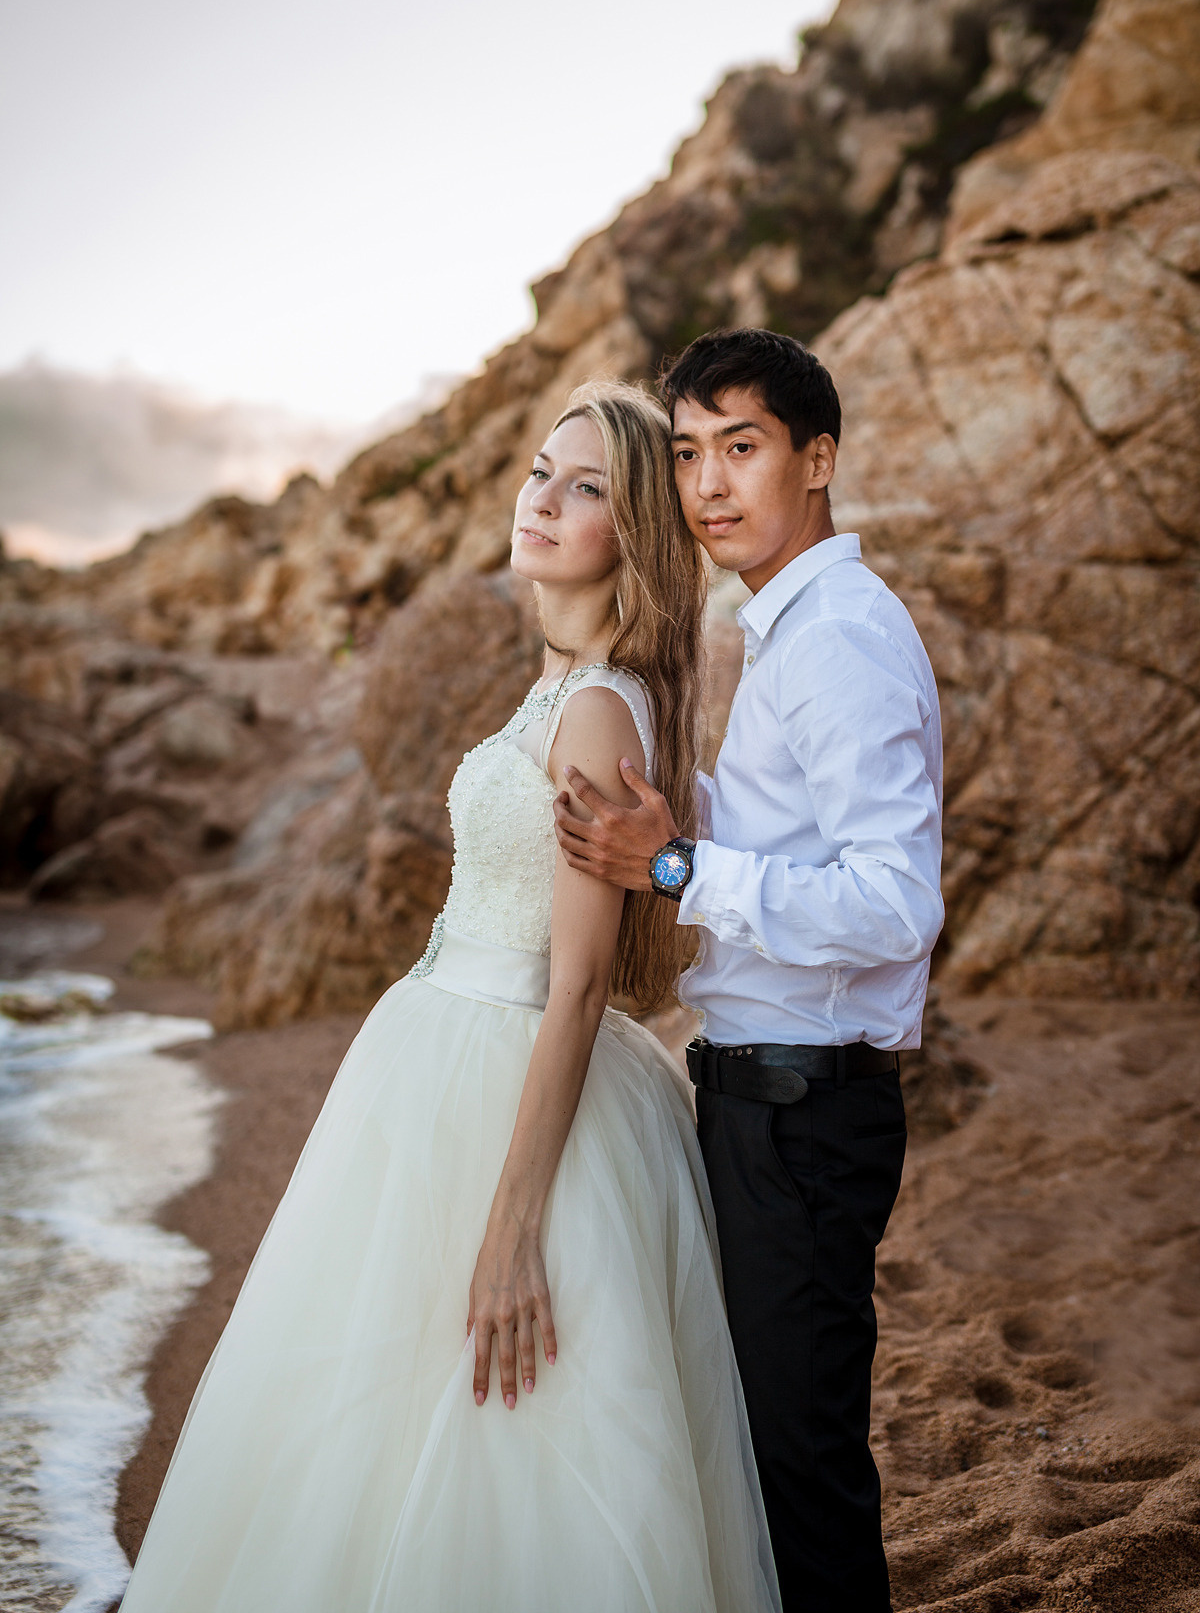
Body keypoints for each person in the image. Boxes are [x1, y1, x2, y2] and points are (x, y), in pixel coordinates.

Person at [119, 380, 781, 1613]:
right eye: (540, 470)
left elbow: (580, 984)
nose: (544, 499)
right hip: (440, 1062)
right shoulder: (563, 686)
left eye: (586, 488)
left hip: (506, 1081)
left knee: (495, 1419)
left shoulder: (595, 710)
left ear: (628, 537)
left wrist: (514, 1223)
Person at [553, 329, 944, 1613]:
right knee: (776, 1454)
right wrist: (695, 817)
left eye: (744, 447)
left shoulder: (836, 634)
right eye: (687, 455)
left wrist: (674, 871)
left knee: (800, 1469)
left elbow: (895, 902)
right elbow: (802, 838)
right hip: (770, 1098)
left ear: (816, 457)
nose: (710, 485)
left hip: (804, 1105)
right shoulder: (786, 625)